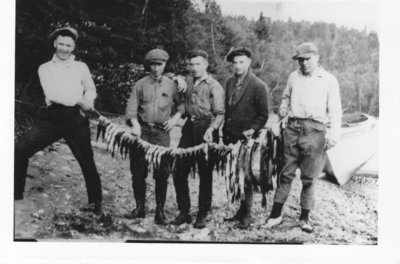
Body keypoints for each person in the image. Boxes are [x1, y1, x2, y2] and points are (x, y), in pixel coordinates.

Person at [14, 27, 103, 215]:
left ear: (74, 47)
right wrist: (78, 100)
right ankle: (15, 194)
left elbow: (91, 88)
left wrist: (87, 102)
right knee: (20, 148)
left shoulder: (81, 67)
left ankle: (95, 203)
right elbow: (54, 94)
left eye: (68, 45)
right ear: (55, 44)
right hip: (53, 117)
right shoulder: (45, 68)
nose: (64, 49)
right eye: (61, 44)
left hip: (76, 118)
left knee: (87, 160)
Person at [262, 42, 342, 233]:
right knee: (285, 173)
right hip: (292, 129)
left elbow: (336, 110)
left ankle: (305, 218)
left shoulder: (328, 80)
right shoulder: (293, 77)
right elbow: (286, 97)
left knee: (309, 178)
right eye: (300, 60)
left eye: (307, 59)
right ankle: (275, 215)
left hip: (316, 131)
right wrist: (283, 108)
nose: (304, 63)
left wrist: (334, 136)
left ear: (317, 57)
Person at [124, 48, 185, 225]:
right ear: (149, 65)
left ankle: (160, 212)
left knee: (162, 173)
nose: (156, 68)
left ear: (165, 65)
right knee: (138, 171)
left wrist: (174, 119)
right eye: (153, 64)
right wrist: (135, 125)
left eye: (160, 65)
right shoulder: (140, 84)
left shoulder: (172, 85)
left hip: (161, 134)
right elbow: (131, 109)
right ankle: (140, 208)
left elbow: (182, 106)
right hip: (142, 132)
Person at [170, 50, 225, 229]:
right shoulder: (187, 82)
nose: (194, 68)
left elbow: (219, 114)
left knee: (205, 173)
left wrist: (211, 129)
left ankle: (202, 213)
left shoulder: (214, 86)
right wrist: (177, 77)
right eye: (191, 65)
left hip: (206, 128)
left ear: (206, 65)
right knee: (179, 170)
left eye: (198, 64)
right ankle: (184, 211)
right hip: (188, 129)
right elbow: (169, 76)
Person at [223, 47, 269, 229]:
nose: (237, 66)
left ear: (249, 62)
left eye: (241, 62)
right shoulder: (229, 83)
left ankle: (247, 215)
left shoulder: (258, 86)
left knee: (247, 177)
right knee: (236, 176)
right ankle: (240, 212)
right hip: (230, 138)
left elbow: (263, 115)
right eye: (234, 62)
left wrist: (252, 129)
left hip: (247, 141)